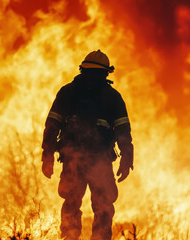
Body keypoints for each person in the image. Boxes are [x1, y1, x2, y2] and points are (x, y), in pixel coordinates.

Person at [41, 50, 134, 240]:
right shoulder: (112, 96)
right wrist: (126, 159)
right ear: (106, 72)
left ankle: (70, 237)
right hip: (100, 160)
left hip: (73, 158)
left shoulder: (67, 92)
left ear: (82, 68)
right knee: (103, 206)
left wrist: (47, 156)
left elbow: (52, 126)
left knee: (71, 202)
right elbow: (123, 132)